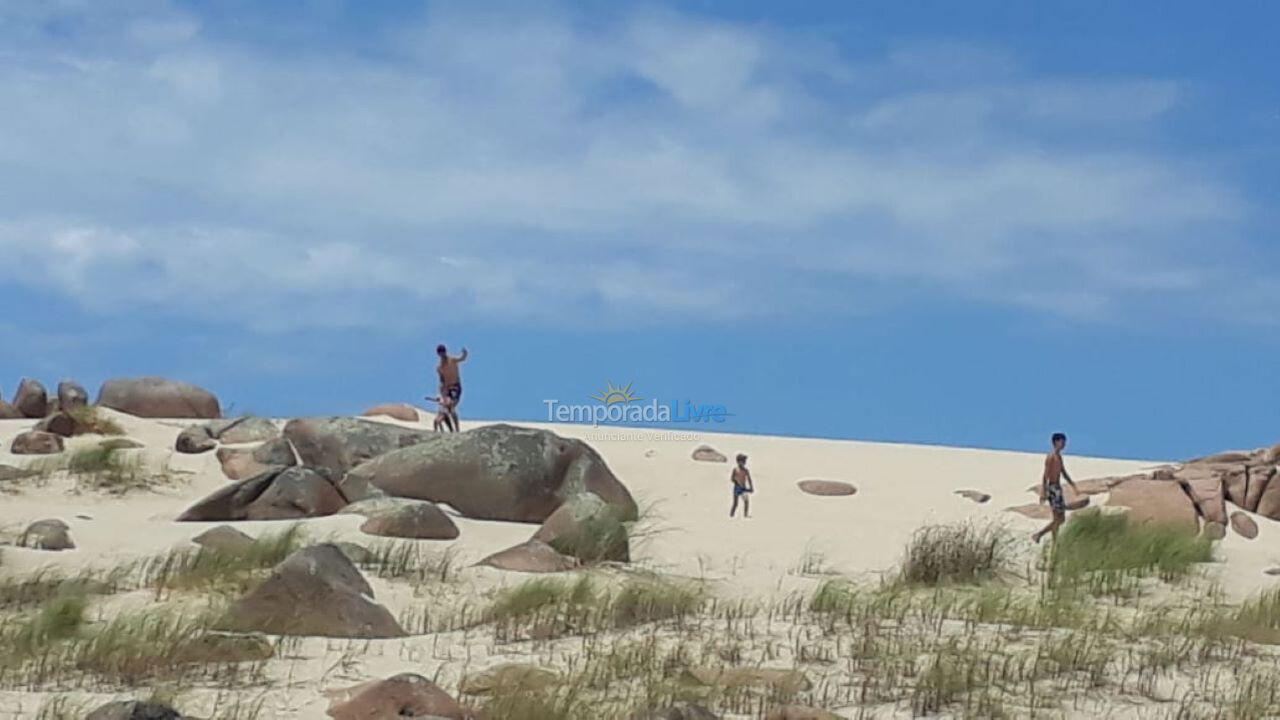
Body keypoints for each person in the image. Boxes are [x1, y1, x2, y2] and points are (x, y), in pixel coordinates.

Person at [1032, 432, 1079, 544]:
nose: (1064, 444)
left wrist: (1073, 485)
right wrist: (1044, 491)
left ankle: (1055, 542)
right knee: (1060, 519)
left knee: (1058, 518)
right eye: (1062, 442)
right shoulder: (1051, 457)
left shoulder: (1059, 457)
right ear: (1056, 442)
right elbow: (1045, 475)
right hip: (1052, 488)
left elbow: (1063, 472)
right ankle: (1039, 534)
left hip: (1057, 488)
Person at [436, 344, 467, 431]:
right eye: (441, 354)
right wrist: (442, 393)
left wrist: (464, 354)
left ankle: (457, 429)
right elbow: (441, 381)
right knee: (445, 410)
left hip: (455, 386)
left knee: (451, 406)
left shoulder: (452, 360)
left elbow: (462, 358)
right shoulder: (439, 368)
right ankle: (451, 430)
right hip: (447, 389)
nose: (443, 355)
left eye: (443, 353)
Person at [730, 453, 754, 518]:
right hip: (737, 487)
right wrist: (736, 482)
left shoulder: (746, 470)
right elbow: (732, 478)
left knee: (746, 501)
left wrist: (751, 487)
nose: (744, 463)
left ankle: (745, 514)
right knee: (735, 503)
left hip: (743, 488)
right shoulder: (735, 470)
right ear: (738, 462)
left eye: (744, 461)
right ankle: (731, 515)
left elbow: (749, 479)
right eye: (743, 461)